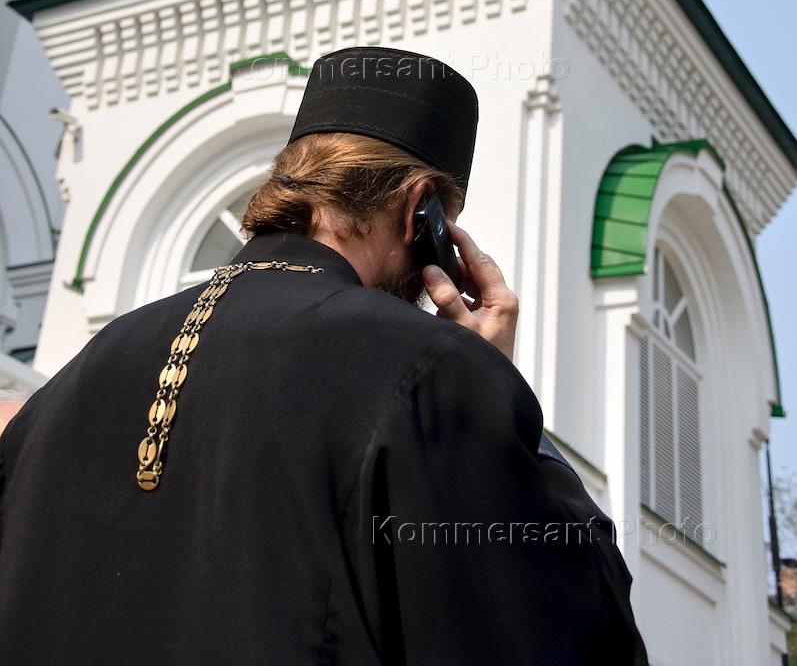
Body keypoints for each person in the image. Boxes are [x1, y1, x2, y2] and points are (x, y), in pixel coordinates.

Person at [0, 45, 648, 664]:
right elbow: (576, 630)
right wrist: (497, 394)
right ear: (420, 212)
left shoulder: (71, 382)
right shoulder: (430, 368)